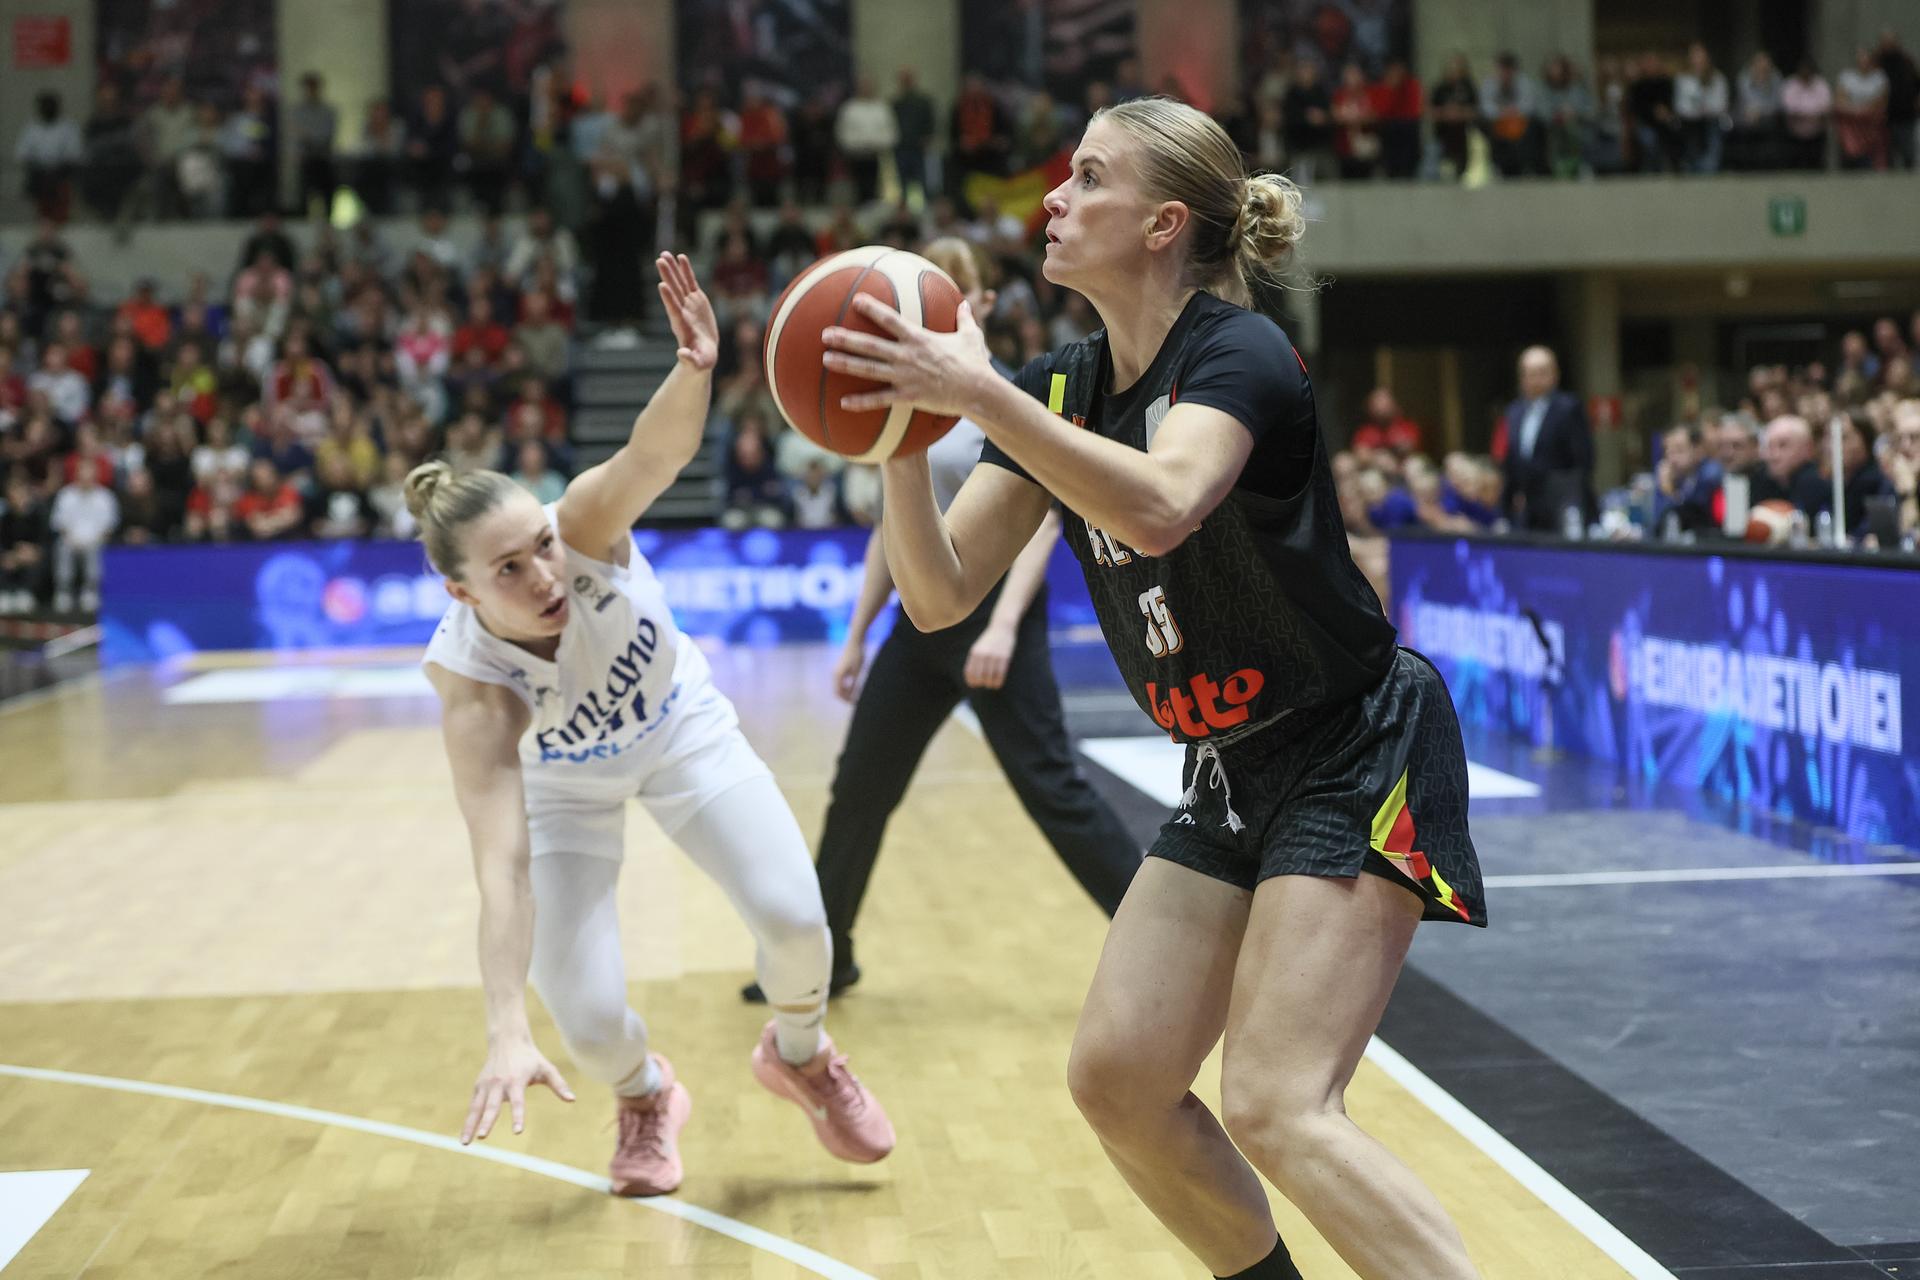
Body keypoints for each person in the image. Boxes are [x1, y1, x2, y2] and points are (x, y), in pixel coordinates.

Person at [823, 98, 1484, 1280]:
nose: (1053, 199)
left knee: (1280, 1101)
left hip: (1352, 742)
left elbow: (1165, 500)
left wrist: (977, 396)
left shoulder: (1240, 353)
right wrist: (900, 446)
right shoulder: (1064, 386)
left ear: (1163, 222)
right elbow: (937, 594)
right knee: (1120, 1079)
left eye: (1087, 177)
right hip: (1231, 768)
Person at [416, 254, 893, 1199]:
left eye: (540, 547)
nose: (545, 576)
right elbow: (500, 866)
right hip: (567, 793)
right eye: (508, 571)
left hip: (682, 734)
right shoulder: (474, 690)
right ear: (459, 592)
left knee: (801, 924)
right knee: (586, 1023)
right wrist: (507, 1029)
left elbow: (654, 456)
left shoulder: (586, 527)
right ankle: (646, 1096)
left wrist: (695, 369)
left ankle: (800, 1055)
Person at [740, 237, 1143, 1005]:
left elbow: (1049, 520)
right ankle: (832, 956)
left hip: (996, 620)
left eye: (953, 290)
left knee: (1055, 793)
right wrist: (858, 634)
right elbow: (892, 534)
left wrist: (1000, 630)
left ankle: (1161, 949)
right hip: (920, 622)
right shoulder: (903, 402)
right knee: (859, 786)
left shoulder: (1007, 396)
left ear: (982, 306)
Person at [1500, 345, 1593, 533]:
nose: (1536, 379)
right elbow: (1511, 459)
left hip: (1561, 505)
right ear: (1522, 377)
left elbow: (1584, 459)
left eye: (1542, 372)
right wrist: (1508, 502)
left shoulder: (1569, 408)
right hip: (1525, 508)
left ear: (1555, 374)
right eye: (1530, 373)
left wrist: (1571, 501)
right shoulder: (1514, 412)